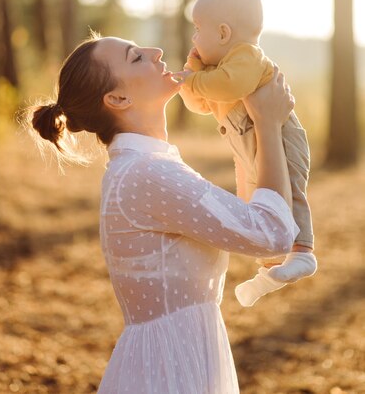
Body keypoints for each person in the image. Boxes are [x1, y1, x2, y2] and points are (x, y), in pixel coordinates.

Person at [30, 33, 299, 394]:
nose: (156, 51)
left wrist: (245, 123)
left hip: (181, 353)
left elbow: (259, 228)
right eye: (136, 57)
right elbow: (272, 235)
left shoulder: (147, 166)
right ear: (118, 99)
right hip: (169, 369)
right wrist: (266, 123)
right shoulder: (147, 173)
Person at [177, 0, 317, 307]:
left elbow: (228, 88)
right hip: (249, 146)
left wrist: (193, 79)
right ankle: (271, 267)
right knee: (259, 201)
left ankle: (303, 251)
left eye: (199, 30)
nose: (194, 39)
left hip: (282, 137)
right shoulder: (215, 69)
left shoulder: (246, 58)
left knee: (290, 190)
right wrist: (192, 74)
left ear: (224, 33)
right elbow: (199, 102)